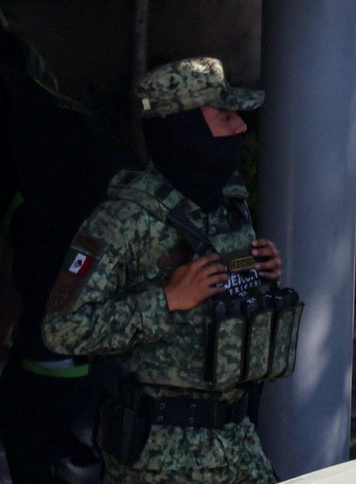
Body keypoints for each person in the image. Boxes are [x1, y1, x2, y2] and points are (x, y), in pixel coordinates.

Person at [42, 57, 287, 483]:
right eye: (224, 117)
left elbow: (224, 309)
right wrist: (167, 301)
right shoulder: (123, 220)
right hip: (159, 457)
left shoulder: (228, 204)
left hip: (237, 442)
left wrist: (260, 275)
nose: (240, 127)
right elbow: (62, 329)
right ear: (185, 131)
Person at [0, 20, 118, 482]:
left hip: (64, 324)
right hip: (75, 319)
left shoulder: (30, 129)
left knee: (54, 436)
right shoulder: (57, 117)